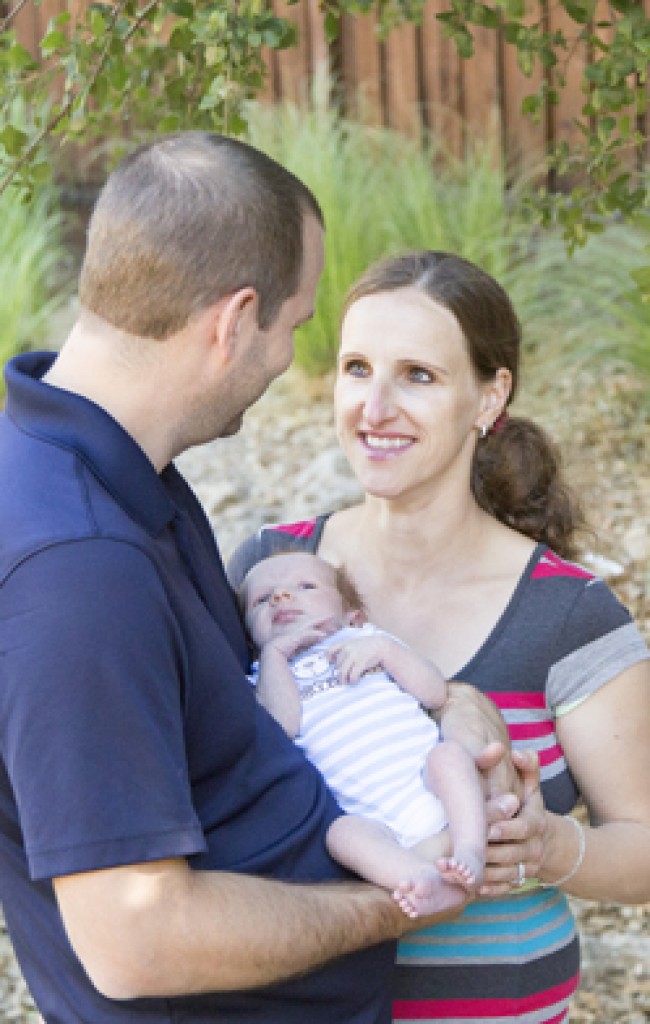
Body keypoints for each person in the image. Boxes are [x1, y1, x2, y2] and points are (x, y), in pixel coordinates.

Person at [0, 136, 528, 1024]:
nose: (289, 358)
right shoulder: (79, 567)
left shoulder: (127, 480)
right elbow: (138, 941)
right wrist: (402, 893)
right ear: (235, 320)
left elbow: (252, 699)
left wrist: (455, 702)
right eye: (294, 326)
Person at [228, 249, 650, 1024]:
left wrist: (551, 847)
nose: (374, 406)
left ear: (490, 398)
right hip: (302, 1001)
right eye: (357, 368)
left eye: (418, 376)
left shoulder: (568, 613)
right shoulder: (270, 571)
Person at [241, 550, 491, 915]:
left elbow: (435, 692)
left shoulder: (368, 639)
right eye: (261, 600)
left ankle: (471, 850)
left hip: (428, 782)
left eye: (305, 586)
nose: (281, 597)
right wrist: (275, 658)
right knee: (341, 835)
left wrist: (385, 650)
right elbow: (283, 728)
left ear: (351, 615)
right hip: (374, 822)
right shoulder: (263, 678)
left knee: (450, 756)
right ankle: (422, 879)